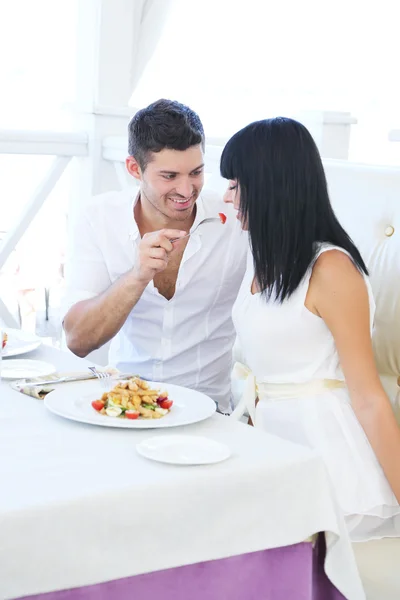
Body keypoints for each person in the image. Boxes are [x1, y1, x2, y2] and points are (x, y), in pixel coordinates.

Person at [222, 116, 400, 539]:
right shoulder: (264, 257)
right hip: (272, 452)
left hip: (331, 466)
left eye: (235, 184)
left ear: (270, 184)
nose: (227, 197)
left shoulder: (332, 270)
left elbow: (370, 398)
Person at [62, 99, 247, 413]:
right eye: (170, 176)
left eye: (197, 172)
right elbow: (78, 340)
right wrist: (137, 275)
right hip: (126, 407)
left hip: (212, 412)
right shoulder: (98, 217)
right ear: (135, 168)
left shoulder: (235, 219)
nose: (187, 190)